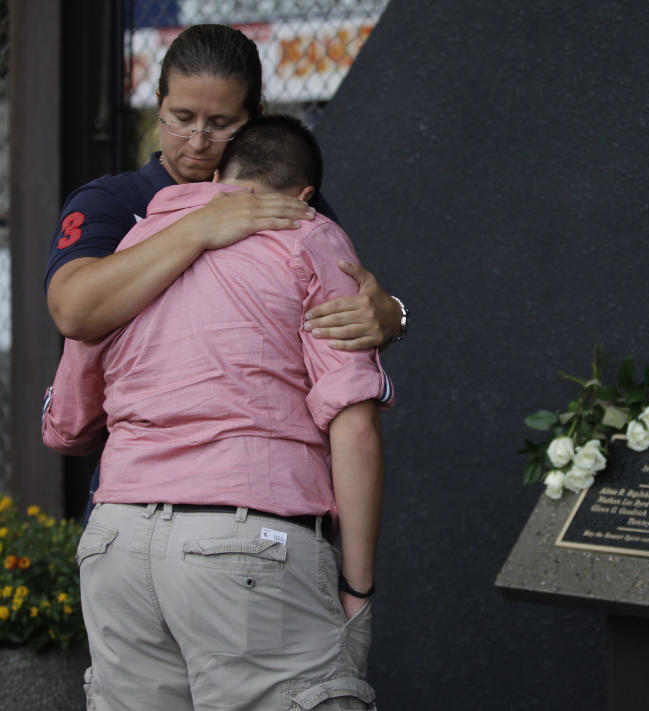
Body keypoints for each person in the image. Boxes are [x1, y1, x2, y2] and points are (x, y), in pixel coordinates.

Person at [43, 113, 390, 710]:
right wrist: (358, 588)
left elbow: (68, 423)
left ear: (221, 177)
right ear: (305, 195)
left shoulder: (134, 247)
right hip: (248, 538)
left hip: (118, 541)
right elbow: (353, 429)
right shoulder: (311, 235)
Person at [44, 23, 407, 519]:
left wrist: (391, 317)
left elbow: (342, 346)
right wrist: (199, 226)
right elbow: (73, 311)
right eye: (181, 117)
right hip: (134, 491)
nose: (196, 140)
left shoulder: (294, 203)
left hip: (262, 497)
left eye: (220, 123)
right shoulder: (112, 200)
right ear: (157, 103)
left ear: (255, 117)